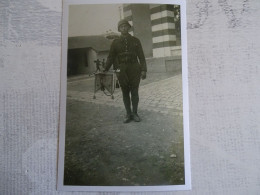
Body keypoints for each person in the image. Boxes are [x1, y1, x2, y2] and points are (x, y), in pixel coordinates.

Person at [104, 19, 147, 123]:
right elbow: (110, 57)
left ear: (129, 28)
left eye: (125, 26)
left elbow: (141, 56)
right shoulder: (115, 42)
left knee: (135, 92)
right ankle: (128, 114)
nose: (124, 28)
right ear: (119, 29)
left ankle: (135, 113)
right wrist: (105, 69)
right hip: (121, 70)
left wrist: (144, 70)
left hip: (134, 69)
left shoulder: (136, 41)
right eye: (121, 27)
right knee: (125, 92)